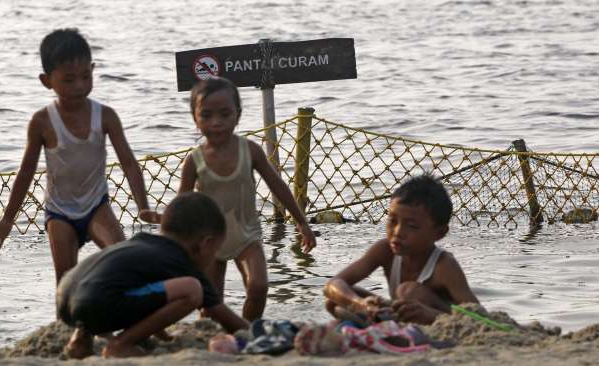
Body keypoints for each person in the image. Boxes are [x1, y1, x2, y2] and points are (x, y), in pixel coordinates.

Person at [0, 28, 157, 357]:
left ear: (93, 71)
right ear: (47, 81)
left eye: (86, 77)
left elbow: (131, 164)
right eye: (68, 80)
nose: (79, 87)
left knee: (123, 259)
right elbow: (26, 172)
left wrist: (143, 206)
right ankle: (80, 333)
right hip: (59, 212)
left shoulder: (104, 115)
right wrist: (7, 219)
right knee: (66, 282)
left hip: (96, 206)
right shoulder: (41, 122)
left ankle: (131, 329)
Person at [177, 76, 317, 321]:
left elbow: (278, 186)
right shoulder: (194, 160)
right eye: (207, 115)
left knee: (258, 287)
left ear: (237, 115)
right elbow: (182, 206)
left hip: (246, 236)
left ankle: (249, 329)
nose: (217, 122)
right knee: (211, 305)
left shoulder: (250, 150)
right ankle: (216, 335)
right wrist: (177, 245)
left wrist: (302, 222)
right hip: (210, 242)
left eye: (225, 114)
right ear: (195, 118)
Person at [57, 191, 249, 358]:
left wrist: (164, 337)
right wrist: (255, 331)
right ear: (205, 243)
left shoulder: (144, 245)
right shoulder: (182, 263)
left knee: (122, 285)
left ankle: (81, 340)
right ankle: (121, 345)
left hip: (66, 296)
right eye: (215, 251)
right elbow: (226, 318)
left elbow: (151, 300)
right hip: (98, 303)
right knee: (192, 290)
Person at [323, 174, 479, 325]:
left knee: (409, 291)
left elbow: (479, 316)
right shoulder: (384, 250)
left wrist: (431, 315)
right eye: (392, 221)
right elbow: (333, 284)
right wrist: (360, 304)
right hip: (402, 318)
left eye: (411, 226)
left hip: (436, 321)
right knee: (334, 301)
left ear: (439, 233)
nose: (397, 232)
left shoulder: (445, 266)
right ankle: (382, 324)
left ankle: (390, 329)